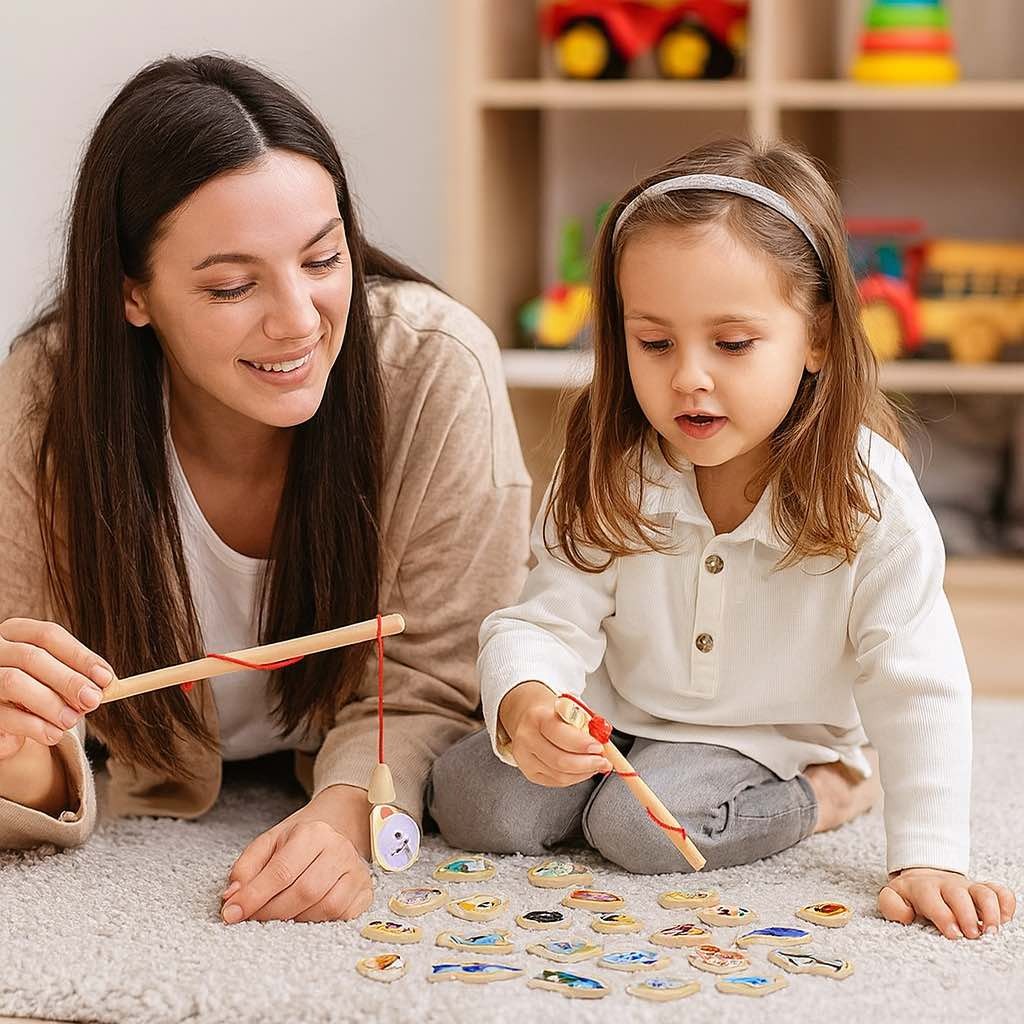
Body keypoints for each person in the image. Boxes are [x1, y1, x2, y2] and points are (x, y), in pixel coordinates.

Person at [429, 138, 1016, 940]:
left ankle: (835, 790)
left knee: (641, 829)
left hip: (765, 742)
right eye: (654, 342)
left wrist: (930, 855)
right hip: (617, 714)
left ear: (815, 338)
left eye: (732, 345)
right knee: (473, 801)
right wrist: (531, 704)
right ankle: (586, 784)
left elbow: (918, 682)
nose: (689, 378)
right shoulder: (612, 466)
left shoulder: (870, 494)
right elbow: (543, 620)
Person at [0, 54, 531, 925]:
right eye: (232, 286)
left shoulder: (436, 366)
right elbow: (41, 721)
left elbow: (437, 677)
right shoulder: (45, 396)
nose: (297, 319)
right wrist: (17, 752)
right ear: (132, 293)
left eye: (324, 259)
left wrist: (343, 814)